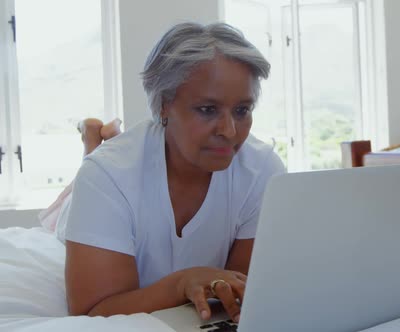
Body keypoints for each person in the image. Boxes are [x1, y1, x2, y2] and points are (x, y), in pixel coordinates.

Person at [62, 22, 284, 324]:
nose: (230, 132)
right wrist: (182, 283)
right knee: (76, 196)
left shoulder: (261, 169)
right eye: (208, 110)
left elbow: (240, 292)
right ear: (164, 105)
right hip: (93, 190)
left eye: (242, 111)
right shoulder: (106, 175)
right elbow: (93, 311)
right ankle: (94, 137)